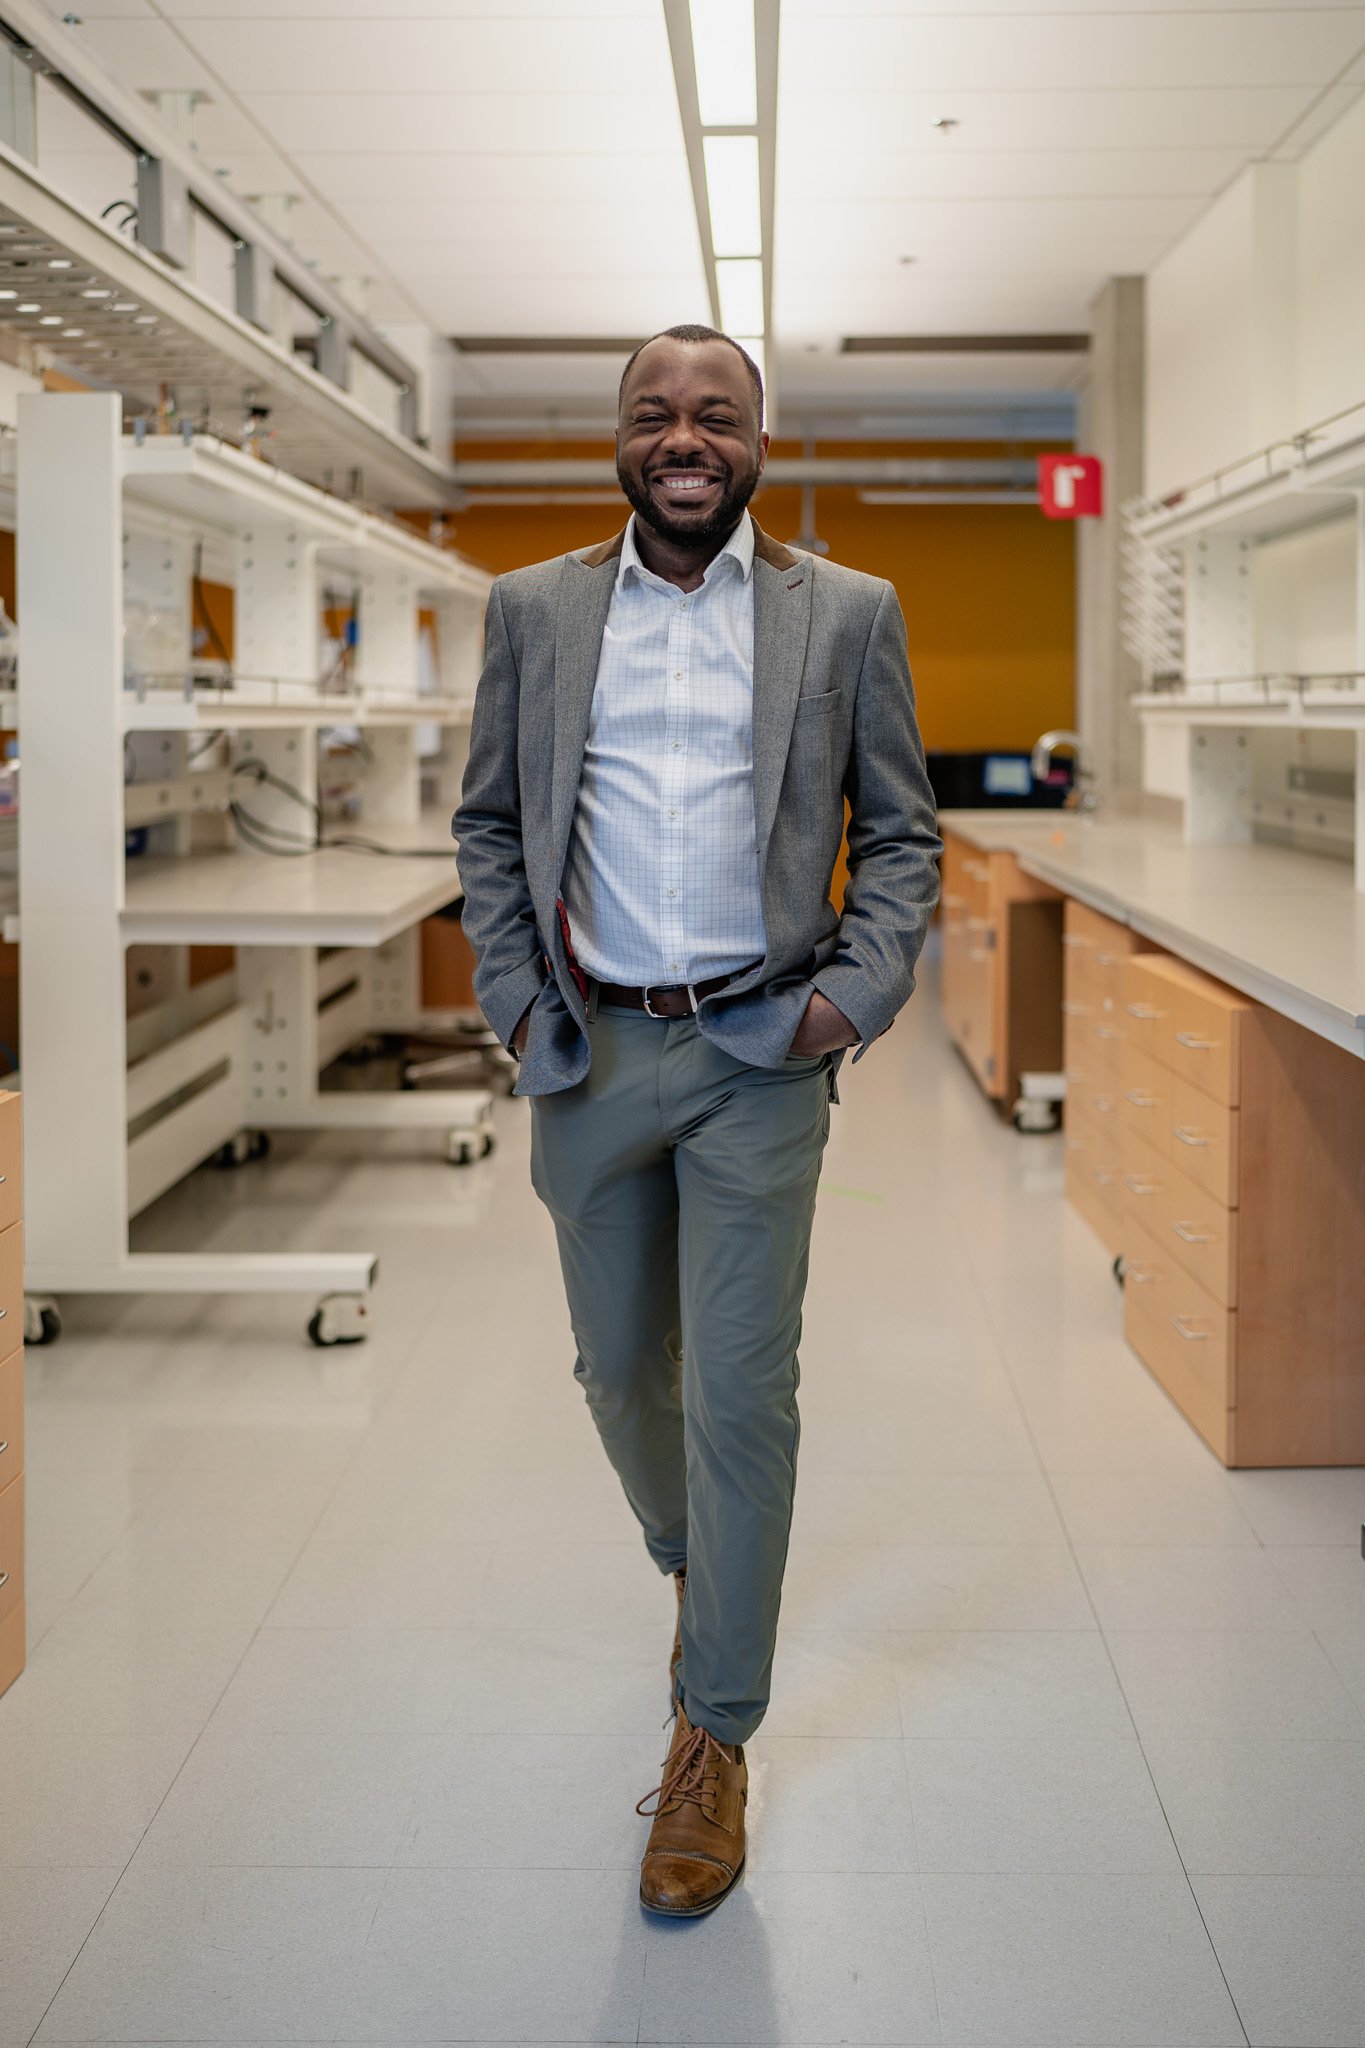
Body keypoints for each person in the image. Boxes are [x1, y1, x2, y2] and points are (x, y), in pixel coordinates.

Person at [454, 323, 941, 1917]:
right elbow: (489, 821)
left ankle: (712, 1732)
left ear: (755, 440)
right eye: (656, 413)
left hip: (757, 1049)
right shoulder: (533, 610)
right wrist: (522, 1008)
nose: (685, 435)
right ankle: (700, 1581)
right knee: (616, 1372)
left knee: (742, 1391)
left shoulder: (845, 614)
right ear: (619, 438)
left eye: (715, 414)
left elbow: (900, 835)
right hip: (588, 1050)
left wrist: (839, 1007)